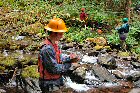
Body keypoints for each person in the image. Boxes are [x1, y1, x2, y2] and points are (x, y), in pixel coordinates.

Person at [38, 18, 80, 93]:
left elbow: (59, 58)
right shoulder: (47, 49)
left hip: (56, 81)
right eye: (60, 33)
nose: (62, 35)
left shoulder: (55, 44)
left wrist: (69, 58)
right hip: (49, 84)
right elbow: (54, 69)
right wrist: (70, 64)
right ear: (54, 33)